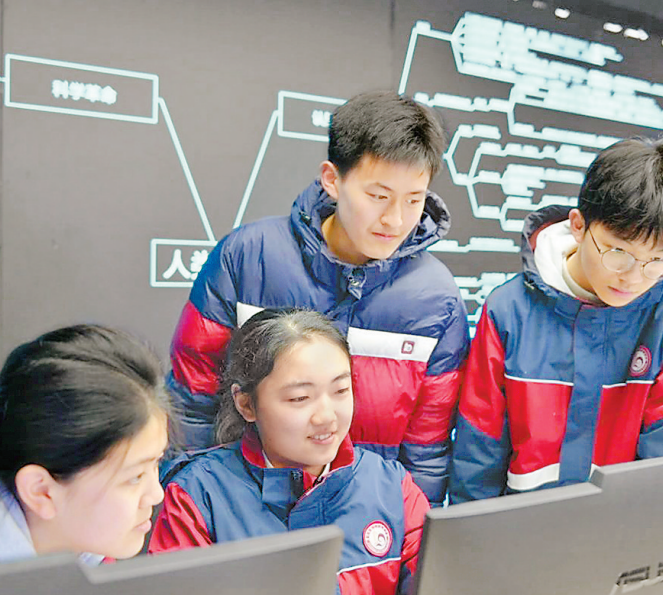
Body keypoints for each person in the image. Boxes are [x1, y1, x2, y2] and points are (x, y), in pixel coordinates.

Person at [167, 90, 469, 505]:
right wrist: (193, 507)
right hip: (239, 511)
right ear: (332, 178)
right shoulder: (248, 257)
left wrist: (414, 546)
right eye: (378, 196)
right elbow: (191, 403)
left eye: (414, 200)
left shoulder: (438, 300)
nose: (395, 220)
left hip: (367, 531)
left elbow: (427, 451)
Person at [449, 137, 663, 503]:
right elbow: (478, 453)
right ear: (578, 225)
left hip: (626, 542)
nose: (633, 277)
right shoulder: (509, 311)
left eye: (656, 260)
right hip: (519, 535)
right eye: (618, 253)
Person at [150, 309, 428, 595]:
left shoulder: (391, 487)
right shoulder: (196, 496)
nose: (327, 417)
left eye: (341, 391)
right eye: (300, 398)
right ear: (246, 404)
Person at [0, 325, 173, 574]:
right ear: (40, 491)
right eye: (134, 477)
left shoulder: (87, 532)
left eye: (156, 463)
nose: (156, 493)